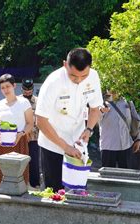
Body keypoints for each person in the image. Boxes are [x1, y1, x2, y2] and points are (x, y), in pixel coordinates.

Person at [36, 48, 103, 192]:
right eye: (73, 76)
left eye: (83, 76)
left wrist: (89, 129)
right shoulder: (54, 81)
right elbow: (40, 120)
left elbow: (95, 108)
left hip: (77, 144)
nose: (78, 80)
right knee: (54, 193)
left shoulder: (93, 76)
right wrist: (65, 147)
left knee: (77, 191)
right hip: (52, 144)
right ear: (65, 64)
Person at [0, 74, 34, 199]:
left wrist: (21, 134)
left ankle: (17, 199)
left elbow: (30, 124)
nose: (5, 90)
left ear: (14, 86)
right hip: (1, 144)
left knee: (19, 174)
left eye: (8, 86)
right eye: (3, 88)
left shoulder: (24, 102)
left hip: (19, 143)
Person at [99, 90, 140, 168]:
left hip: (126, 146)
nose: (113, 90)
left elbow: (136, 120)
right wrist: (101, 111)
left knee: (126, 176)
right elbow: (94, 121)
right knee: (107, 177)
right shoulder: (101, 103)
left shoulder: (128, 102)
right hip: (108, 147)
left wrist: (139, 139)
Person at [19, 78, 41, 188]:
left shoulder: (38, 101)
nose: (27, 92)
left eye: (30, 90)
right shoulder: (17, 101)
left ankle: (35, 183)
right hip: (21, 136)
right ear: (21, 89)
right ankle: (21, 182)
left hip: (34, 136)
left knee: (34, 161)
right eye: (25, 90)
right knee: (20, 161)